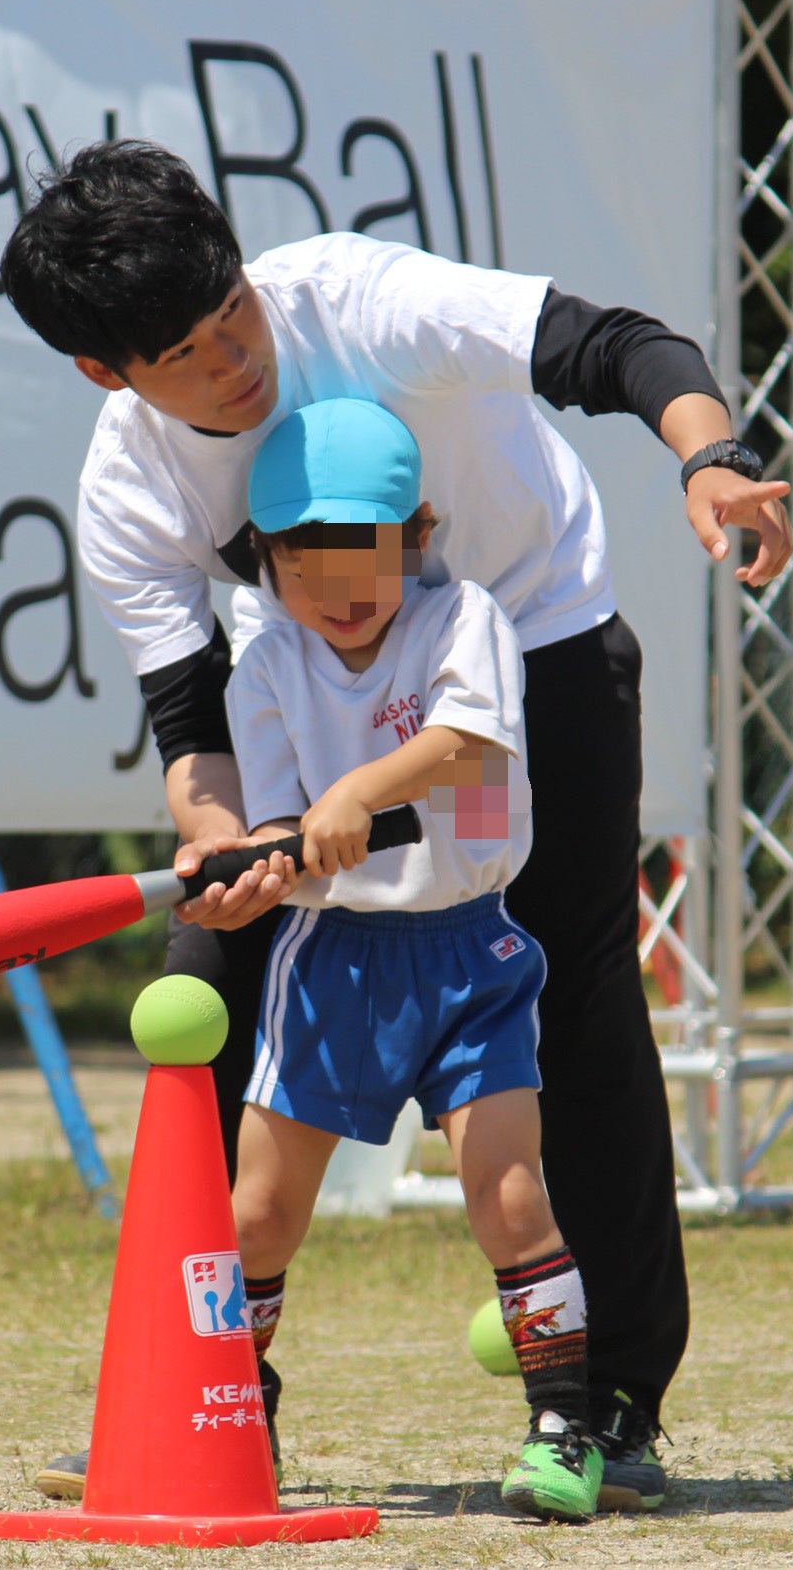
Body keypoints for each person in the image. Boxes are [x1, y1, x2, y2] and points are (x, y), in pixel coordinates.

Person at [0, 141, 791, 1512]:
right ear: (106, 373)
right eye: (185, 353)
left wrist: (710, 453)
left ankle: (604, 1398)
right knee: (203, 993)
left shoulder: (358, 299)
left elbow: (615, 344)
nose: (234, 359)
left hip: (521, 667)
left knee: (571, 995)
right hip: (313, 688)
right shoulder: (128, 489)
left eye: (232, 310)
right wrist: (222, 855)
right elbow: (195, 736)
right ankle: (209, 1390)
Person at [219, 397, 602, 1520]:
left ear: (415, 534)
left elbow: (469, 741)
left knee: (511, 1191)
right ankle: (239, 1415)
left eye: (363, 556)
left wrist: (355, 791)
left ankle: (564, 1425)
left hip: (468, 951)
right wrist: (260, 870)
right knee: (255, 1214)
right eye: (304, 560)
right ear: (267, 560)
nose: (337, 587)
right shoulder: (266, 667)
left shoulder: (459, 619)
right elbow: (282, 828)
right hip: (331, 955)